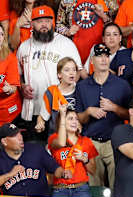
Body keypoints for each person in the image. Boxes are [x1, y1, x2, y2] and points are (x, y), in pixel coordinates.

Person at [16, 5, 83, 138]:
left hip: (59, 109)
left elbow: (78, 72)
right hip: (33, 109)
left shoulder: (65, 43)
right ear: (32, 24)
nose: (44, 25)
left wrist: (65, 94)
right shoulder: (23, 47)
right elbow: (18, 75)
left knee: (60, 149)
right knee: (35, 148)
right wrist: (22, 86)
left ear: (52, 22)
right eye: (39, 21)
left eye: (47, 21)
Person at [75, 43, 131, 188]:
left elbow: (131, 115)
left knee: (117, 185)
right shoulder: (82, 86)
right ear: (92, 60)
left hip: (115, 141)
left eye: (106, 56)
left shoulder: (122, 85)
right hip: (91, 141)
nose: (104, 59)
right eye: (99, 56)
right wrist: (88, 112)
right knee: (94, 187)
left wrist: (114, 107)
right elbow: (79, 119)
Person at [0, 122, 70, 196]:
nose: (20, 137)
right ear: (4, 141)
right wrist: (10, 174)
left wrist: (63, 173)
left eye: (19, 133)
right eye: (14, 136)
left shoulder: (36, 149)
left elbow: (55, 168)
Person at [48, 104, 97, 197]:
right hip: (60, 189)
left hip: (82, 189)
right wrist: (62, 115)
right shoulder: (54, 138)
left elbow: (93, 171)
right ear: (62, 121)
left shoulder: (86, 141)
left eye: (76, 119)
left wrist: (85, 159)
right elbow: (61, 143)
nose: (74, 121)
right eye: (70, 119)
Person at [35, 56, 78, 135]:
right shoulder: (51, 92)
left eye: (74, 69)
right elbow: (42, 117)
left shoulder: (80, 90)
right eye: (67, 70)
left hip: (75, 138)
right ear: (59, 75)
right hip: (56, 138)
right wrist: (40, 124)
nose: (71, 73)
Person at [0, 23, 22, 125]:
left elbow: (14, 87)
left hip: (9, 111)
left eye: (1, 34)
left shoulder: (10, 58)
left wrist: (9, 89)